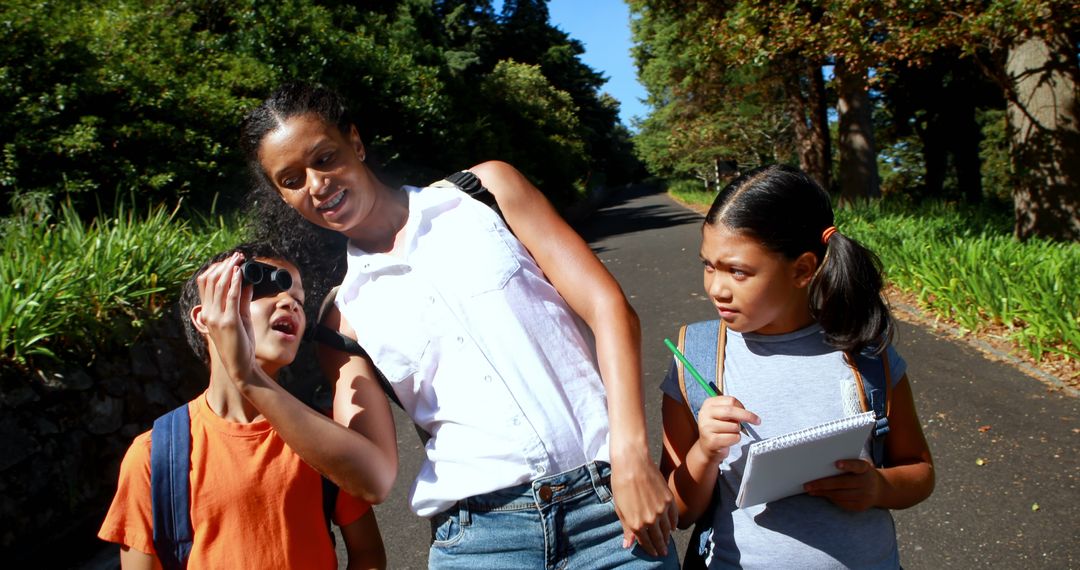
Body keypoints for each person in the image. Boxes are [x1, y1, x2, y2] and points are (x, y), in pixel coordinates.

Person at [220, 81, 679, 568]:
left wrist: (630, 453)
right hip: (481, 540)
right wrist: (250, 379)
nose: (316, 183)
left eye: (325, 158)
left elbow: (608, 307)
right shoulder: (341, 318)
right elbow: (372, 477)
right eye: (291, 179)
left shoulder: (485, 193)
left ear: (355, 142)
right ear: (282, 196)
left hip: (610, 513)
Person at [660, 164, 935, 568]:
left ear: (803, 269)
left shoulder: (863, 353)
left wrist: (879, 486)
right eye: (708, 265)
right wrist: (703, 452)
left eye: (738, 271)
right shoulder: (698, 357)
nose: (716, 287)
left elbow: (919, 471)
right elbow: (677, 512)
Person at [98, 243, 387, 569]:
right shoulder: (155, 456)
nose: (289, 302)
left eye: (299, 299)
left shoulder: (321, 439)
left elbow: (368, 554)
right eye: (264, 285)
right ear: (205, 316)